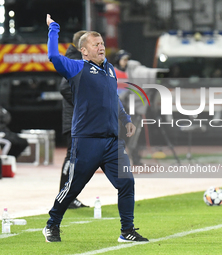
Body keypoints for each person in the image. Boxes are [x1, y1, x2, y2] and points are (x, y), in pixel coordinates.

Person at [43, 14, 148, 243]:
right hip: (87, 141)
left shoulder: (109, 69)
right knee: (72, 189)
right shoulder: (77, 68)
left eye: (102, 44)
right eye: (96, 44)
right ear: (84, 50)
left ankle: (127, 230)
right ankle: (52, 224)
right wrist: (54, 29)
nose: (101, 47)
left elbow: (114, 99)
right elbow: (52, 55)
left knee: (127, 181)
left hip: (112, 141)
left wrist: (126, 119)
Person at [58, 30, 89, 209]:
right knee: (73, 157)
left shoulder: (78, 59)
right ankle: (65, 196)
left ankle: (69, 195)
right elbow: (65, 87)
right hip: (74, 119)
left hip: (78, 119)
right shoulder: (75, 61)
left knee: (78, 158)